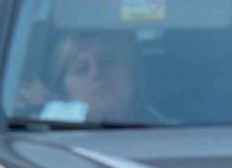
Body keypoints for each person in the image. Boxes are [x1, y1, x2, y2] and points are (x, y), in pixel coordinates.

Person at [16, 31, 168, 125]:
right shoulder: (41, 142)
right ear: (63, 91)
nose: (96, 73)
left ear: (133, 73)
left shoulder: (170, 136)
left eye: (106, 62)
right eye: (81, 70)